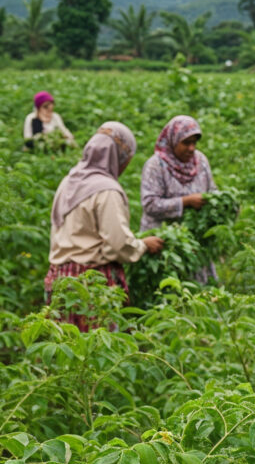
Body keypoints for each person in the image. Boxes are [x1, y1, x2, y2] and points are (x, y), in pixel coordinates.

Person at [46, 121, 163, 330]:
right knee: (97, 346)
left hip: (59, 278)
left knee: (64, 343)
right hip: (91, 284)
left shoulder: (69, 182)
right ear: (118, 157)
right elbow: (117, 244)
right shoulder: (106, 191)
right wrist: (143, 245)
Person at [140, 115, 218, 282]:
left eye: (194, 143)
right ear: (172, 141)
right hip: (162, 242)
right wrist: (186, 202)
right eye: (186, 143)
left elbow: (212, 191)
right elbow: (150, 204)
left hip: (194, 241)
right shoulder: (156, 165)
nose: (191, 148)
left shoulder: (201, 161)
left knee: (197, 288)